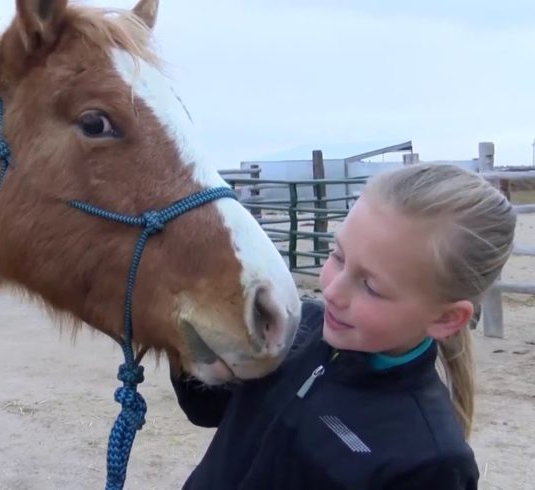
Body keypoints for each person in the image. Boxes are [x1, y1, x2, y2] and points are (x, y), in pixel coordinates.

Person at [171, 163, 517, 489]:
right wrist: (184, 336)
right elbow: (206, 409)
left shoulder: (430, 460)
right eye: (338, 257)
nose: (332, 292)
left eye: (371, 286)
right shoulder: (298, 330)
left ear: (445, 318)